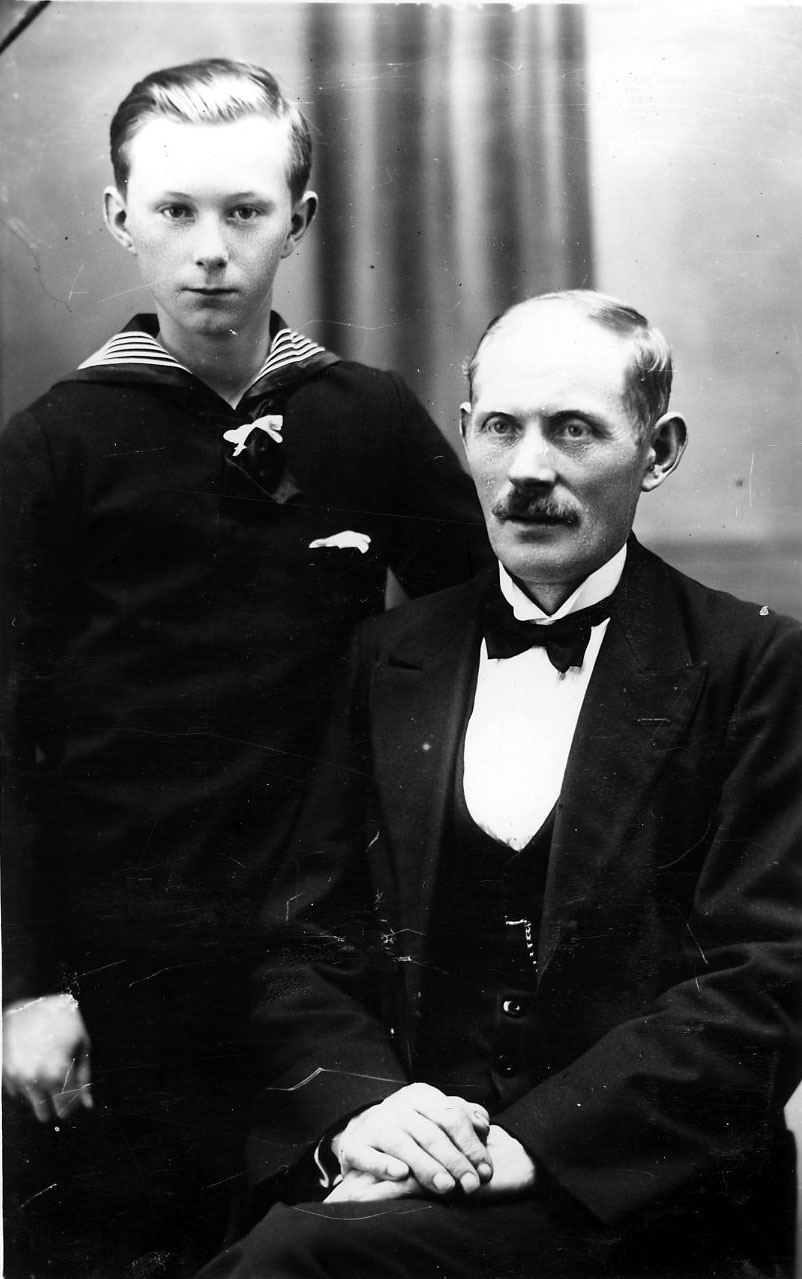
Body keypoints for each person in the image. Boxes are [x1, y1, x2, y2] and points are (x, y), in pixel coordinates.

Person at [198, 290, 802, 1279]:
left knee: (289, 1264)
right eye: (500, 428)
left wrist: (532, 1146)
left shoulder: (757, 665)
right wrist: (369, 1110)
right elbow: (304, 943)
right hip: (409, 1165)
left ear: (658, 451)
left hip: (638, 1194)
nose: (528, 469)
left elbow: (767, 982)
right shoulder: (388, 656)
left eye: (573, 429)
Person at [0, 59, 487, 1278]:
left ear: (300, 219)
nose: (211, 250)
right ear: (120, 215)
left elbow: (472, 638)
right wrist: (25, 986)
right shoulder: (55, 445)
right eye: (174, 211)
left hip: (330, 953)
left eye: (245, 211)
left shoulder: (366, 419)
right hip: (117, 961)